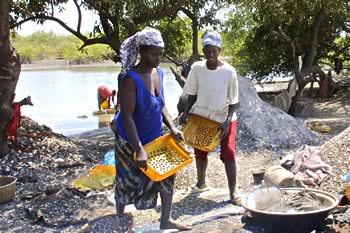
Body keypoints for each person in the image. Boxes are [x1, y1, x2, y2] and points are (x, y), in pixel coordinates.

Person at [113, 27, 191, 231]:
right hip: (129, 140)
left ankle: (166, 220)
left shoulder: (160, 73)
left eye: (160, 54)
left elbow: (161, 103)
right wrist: (139, 148)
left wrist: (172, 127)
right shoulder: (130, 79)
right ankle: (119, 221)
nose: (158, 58)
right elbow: (127, 116)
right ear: (143, 52)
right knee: (126, 181)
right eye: (154, 54)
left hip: (155, 137)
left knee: (167, 175)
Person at [179, 30, 240, 205]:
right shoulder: (197, 68)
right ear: (203, 51)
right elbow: (191, 94)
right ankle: (201, 182)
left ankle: (233, 191)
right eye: (207, 51)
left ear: (219, 50)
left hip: (224, 117)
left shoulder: (229, 71)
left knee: (228, 151)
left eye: (213, 51)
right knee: (200, 150)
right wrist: (185, 112)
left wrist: (227, 122)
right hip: (202, 116)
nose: (210, 54)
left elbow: (234, 101)